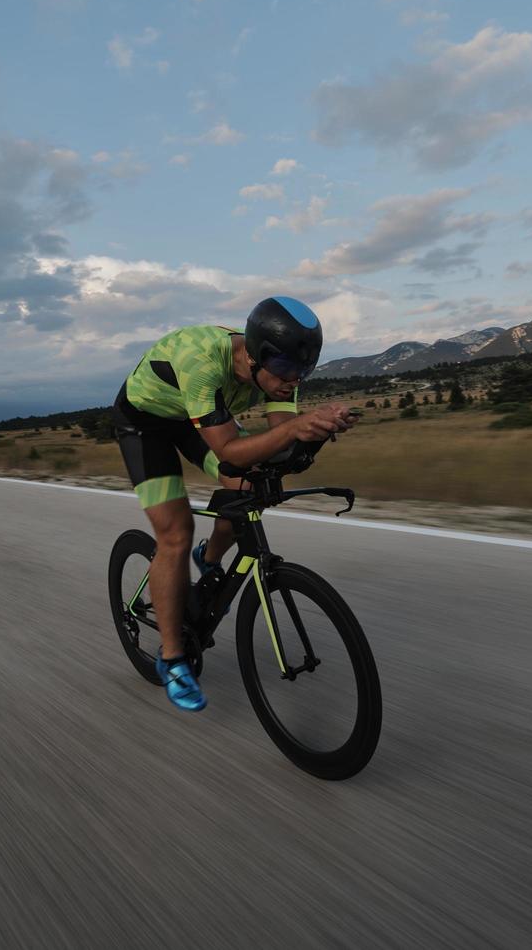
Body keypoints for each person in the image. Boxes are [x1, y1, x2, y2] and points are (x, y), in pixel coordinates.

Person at [112, 296, 357, 711]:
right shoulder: (203, 362)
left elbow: (279, 444)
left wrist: (314, 430)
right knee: (174, 533)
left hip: (196, 419)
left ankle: (208, 556)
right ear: (255, 356)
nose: (292, 382)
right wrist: (296, 428)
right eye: (284, 371)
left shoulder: (280, 373)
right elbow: (228, 451)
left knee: (248, 485)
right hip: (145, 424)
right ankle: (171, 657)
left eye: (304, 372)